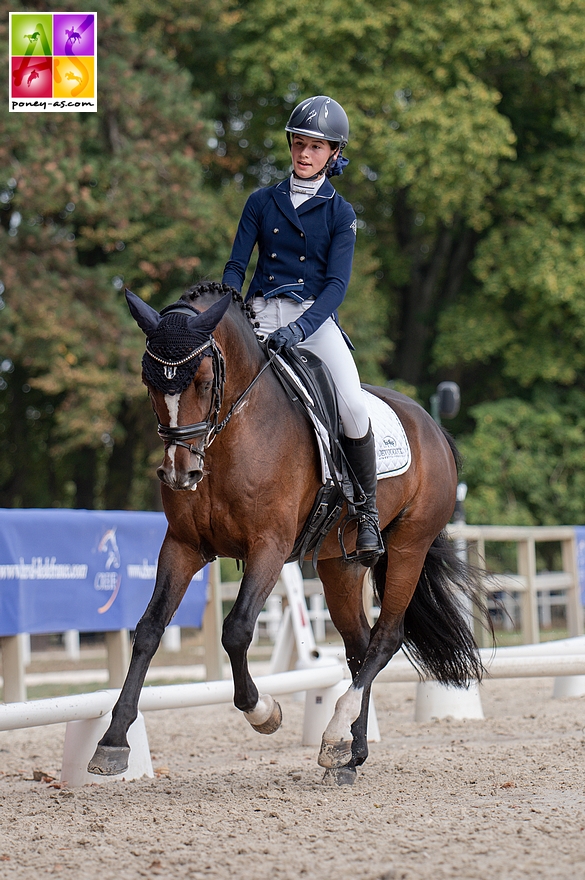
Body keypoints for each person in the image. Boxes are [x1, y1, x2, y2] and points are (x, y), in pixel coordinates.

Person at [222, 95, 383, 561]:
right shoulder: (260, 202)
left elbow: (336, 286)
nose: (304, 154)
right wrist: (231, 305)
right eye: (299, 144)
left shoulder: (341, 213)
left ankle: (368, 513)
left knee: (353, 407)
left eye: (316, 147)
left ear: (333, 153)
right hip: (254, 315)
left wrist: (300, 329)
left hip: (314, 320)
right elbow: (236, 265)